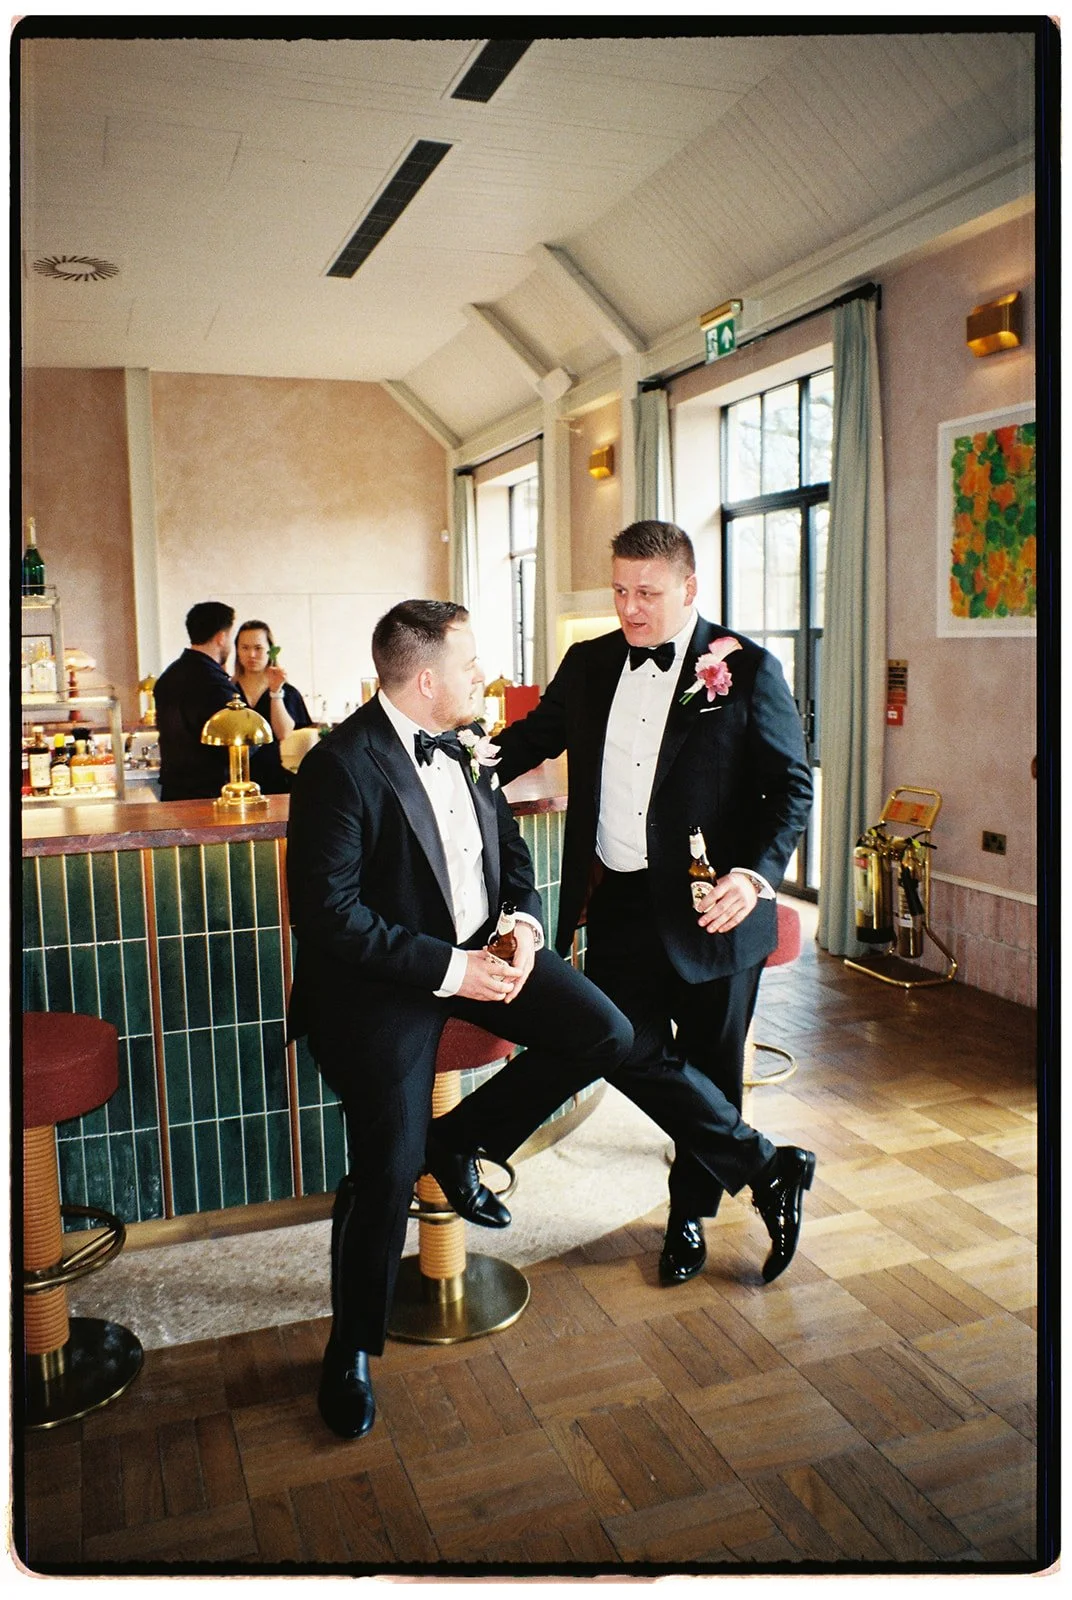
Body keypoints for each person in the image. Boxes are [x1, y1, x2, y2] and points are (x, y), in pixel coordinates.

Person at [286, 599, 636, 1441]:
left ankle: (463, 1138)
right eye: (473, 664)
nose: (487, 676)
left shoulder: (475, 746)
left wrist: (520, 927)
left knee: (607, 1034)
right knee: (386, 1163)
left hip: (487, 948)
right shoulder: (341, 765)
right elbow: (328, 916)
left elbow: (511, 862)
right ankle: (350, 1348)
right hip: (386, 980)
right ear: (428, 677)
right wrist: (454, 969)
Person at [493, 519, 817, 1290]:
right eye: (620, 591)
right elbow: (525, 743)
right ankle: (768, 1166)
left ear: (689, 589)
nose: (631, 609)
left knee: (710, 1065)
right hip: (617, 901)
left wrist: (756, 875)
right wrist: (441, 762)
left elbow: (792, 787)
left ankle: (688, 1217)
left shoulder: (746, 669)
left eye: (648, 593)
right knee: (621, 1044)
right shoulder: (589, 663)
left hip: (715, 907)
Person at [154, 601, 237, 801]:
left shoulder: (169, 676)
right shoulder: (214, 683)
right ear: (221, 637)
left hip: (172, 790)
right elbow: (234, 744)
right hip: (207, 794)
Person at [232, 618, 313, 793]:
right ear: (237, 651)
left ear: (270, 650)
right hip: (231, 780)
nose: (251, 655)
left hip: (272, 779)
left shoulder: (287, 691)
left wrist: (276, 693)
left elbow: (283, 732)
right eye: (245, 648)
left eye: (258, 648)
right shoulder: (228, 690)